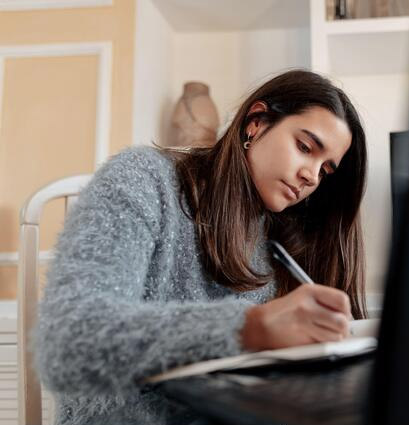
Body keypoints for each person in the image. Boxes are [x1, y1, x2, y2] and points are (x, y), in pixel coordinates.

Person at [33, 69, 368, 425]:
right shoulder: (143, 179)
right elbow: (68, 343)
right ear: (256, 122)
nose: (312, 177)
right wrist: (250, 328)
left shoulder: (280, 241)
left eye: (326, 171)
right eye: (304, 147)